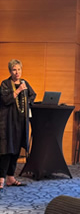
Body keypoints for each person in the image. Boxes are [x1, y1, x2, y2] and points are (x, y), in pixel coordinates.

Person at [0, 59, 36, 190]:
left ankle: (10, 178)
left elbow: (33, 95)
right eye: (14, 70)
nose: (17, 72)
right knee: (6, 151)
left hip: (20, 123)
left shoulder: (25, 83)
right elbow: (5, 100)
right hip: (8, 123)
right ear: (10, 71)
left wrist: (28, 103)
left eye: (19, 69)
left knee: (15, 151)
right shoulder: (5, 84)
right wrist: (18, 90)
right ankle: (1, 179)